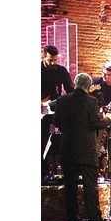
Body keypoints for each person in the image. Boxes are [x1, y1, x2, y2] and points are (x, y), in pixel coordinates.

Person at [52, 72, 111, 221]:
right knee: (90, 187)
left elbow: (56, 122)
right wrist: (108, 118)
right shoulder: (91, 101)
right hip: (86, 150)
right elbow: (95, 123)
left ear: (75, 84)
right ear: (89, 86)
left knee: (70, 188)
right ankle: (94, 220)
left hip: (68, 150)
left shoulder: (61, 100)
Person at [41, 44, 74, 179]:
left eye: (55, 60)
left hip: (56, 111)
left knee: (59, 141)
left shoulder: (61, 71)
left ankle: (59, 171)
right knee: (40, 141)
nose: (53, 63)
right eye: (50, 60)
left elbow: (70, 90)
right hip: (40, 111)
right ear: (44, 57)